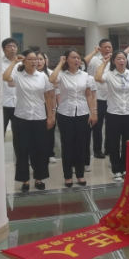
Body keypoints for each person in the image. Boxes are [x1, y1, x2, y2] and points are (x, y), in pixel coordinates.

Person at [3, 50, 55, 192]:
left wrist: (50, 115)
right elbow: (5, 77)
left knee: (40, 149)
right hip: (21, 117)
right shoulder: (18, 75)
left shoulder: (42, 76)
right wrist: (14, 61)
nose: (34, 61)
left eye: (36, 59)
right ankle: (24, 180)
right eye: (30, 59)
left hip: (39, 116)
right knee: (21, 150)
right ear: (24, 61)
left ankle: (39, 178)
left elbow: (48, 96)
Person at [50, 50, 98, 188]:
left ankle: (80, 174)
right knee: (67, 145)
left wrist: (93, 112)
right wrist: (60, 64)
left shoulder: (85, 76)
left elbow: (89, 95)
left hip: (82, 112)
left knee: (81, 145)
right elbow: (52, 80)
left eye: (78, 57)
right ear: (66, 59)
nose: (77, 60)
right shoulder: (61, 75)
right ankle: (67, 176)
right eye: (73, 57)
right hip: (65, 113)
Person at [95, 50, 129, 181]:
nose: (122, 61)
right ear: (113, 61)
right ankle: (116, 169)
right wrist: (104, 62)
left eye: (123, 58)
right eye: (118, 59)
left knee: (128, 142)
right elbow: (97, 78)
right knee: (113, 142)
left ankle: (125, 167)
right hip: (114, 112)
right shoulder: (109, 75)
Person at [85, 39, 114, 159]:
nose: (107, 49)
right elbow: (84, 62)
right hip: (97, 98)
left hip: (112, 98)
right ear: (100, 48)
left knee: (111, 126)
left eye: (109, 47)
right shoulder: (95, 60)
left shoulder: (114, 60)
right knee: (97, 125)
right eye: (105, 47)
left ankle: (108, 149)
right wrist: (94, 52)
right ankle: (97, 150)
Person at [36, 51, 57, 164]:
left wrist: (53, 112)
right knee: (37, 133)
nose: (38, 62)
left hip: (48, 106)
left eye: (41, 59)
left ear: (45, 61)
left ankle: (50, 154)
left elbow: (53, 96)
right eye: (36, 59)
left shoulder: (51, 74)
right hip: (35, 107)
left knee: (49, 131)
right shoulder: (27, 74)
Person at [1, 38, 18, 137]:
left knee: (19, 133)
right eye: (9, 46)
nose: (12, 48)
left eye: (14, 46)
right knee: (0, 132)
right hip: (3, 103)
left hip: (18, 104)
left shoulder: (21, 64)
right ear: (3, 49)